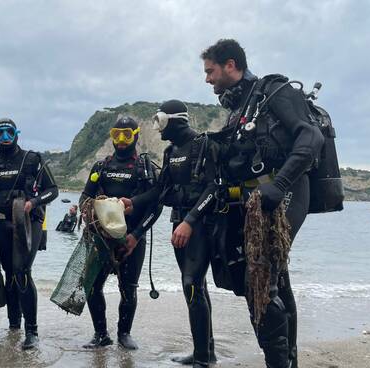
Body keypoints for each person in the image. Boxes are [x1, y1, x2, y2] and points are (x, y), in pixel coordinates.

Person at [201, 39, 324, 367]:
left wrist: (280, 183)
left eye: (210, 71)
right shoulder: (238, 110)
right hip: (251, 200)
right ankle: (288, 361)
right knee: (272, 280)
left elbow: (311, 136)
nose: (207, 79)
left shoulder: (274, 91)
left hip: (286, 190)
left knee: (261, 278)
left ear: (230, 64)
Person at [127, 101, 218, 367]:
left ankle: (203, 360)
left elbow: (214, 187)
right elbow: (160, 192)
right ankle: (205, 352)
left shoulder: (203, 145)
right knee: (195, 286)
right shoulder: (170, 152)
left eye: (160, 122)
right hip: (179, 223)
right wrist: (133, 202)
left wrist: (190, 221)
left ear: (175, 120)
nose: (157, 128)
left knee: (191, 284)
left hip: (199, 225)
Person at [0, 118, 59, 350]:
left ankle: (31, 331)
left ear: (17, 134)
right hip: (1, 226)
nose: (5, 137)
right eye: (0, 133)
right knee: (9, 273)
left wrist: (33, 202)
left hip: (28, 223)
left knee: (22, 271)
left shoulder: (32, 160)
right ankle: (14, 325)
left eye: (9, 132)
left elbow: (53, 191)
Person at [79, 116, 157, 350]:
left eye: (126, 135)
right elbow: (85, 196)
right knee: (91, 285)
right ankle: (101, 334)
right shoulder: (101, 167)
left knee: (128, 289)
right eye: (116, 134)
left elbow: (156, 206)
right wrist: (87, 210)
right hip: (101, 239)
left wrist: (136, 236)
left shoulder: (145, 168)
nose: (121, 140)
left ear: (135, 135)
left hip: (132, 238)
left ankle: (124, 334)